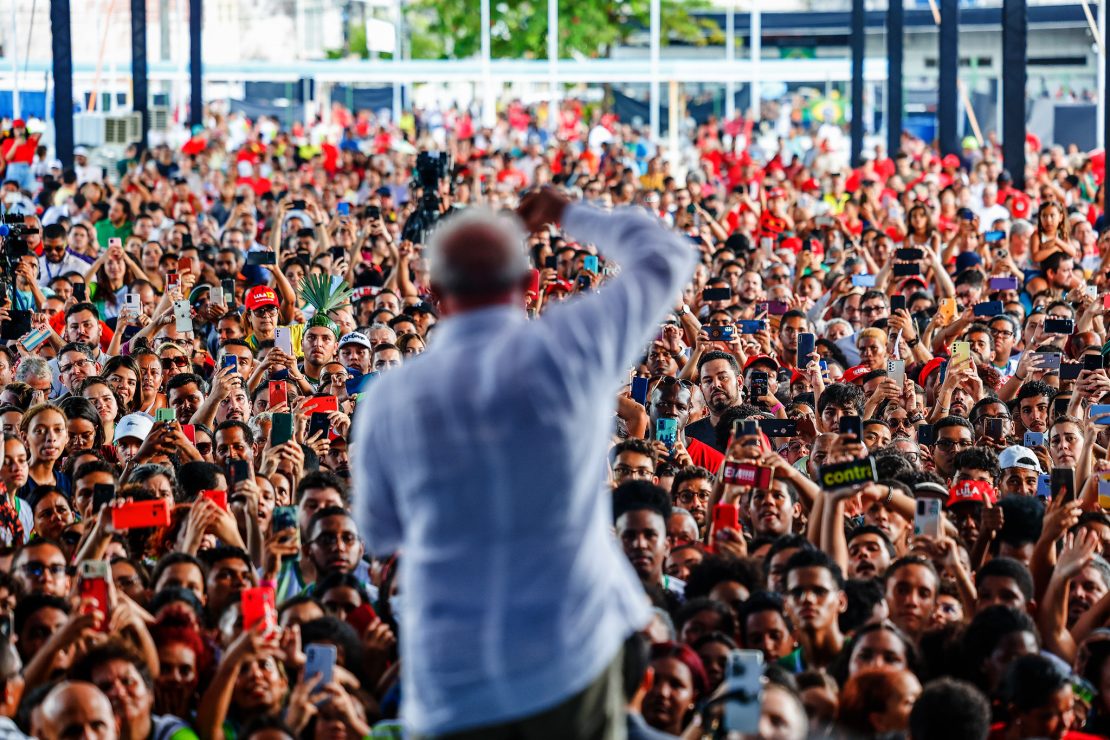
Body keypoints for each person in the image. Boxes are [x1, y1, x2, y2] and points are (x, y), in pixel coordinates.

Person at [352, 188, 696, 737]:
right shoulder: (571, 346)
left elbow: (380, 531)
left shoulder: (392, 400)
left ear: (436, 293)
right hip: (570, 664)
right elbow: (668, 256)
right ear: (525, 285)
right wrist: (564, 212)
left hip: (453, 684)